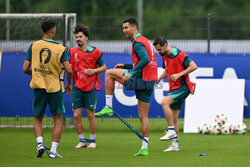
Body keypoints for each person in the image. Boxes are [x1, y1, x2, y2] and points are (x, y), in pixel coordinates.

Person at [94, 18, 158, 156]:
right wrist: (126, 66)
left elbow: (145, 60)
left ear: (134, 28)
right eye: (123, 28)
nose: (124, 31)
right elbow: (145, 61)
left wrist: (131, 72)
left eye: (126, 28)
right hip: (149, 81)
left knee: (109, 73)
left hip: (139, 79)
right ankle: (144, 148)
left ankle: (108, 107)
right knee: (143, 116)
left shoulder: (137, 43)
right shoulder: (146, 41)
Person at [22, 20, 72, 158]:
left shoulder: (33, 46)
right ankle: (53, 151)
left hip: (38, 86)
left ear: (42, 31)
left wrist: (36, 74)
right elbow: (69, 69)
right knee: (58, 118)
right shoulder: (61, 49)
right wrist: (68, 84)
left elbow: (25, 68)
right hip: (54, 87)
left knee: (38, 118)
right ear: (53, 31)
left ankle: (40, 144)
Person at [153, 36, 197, 152]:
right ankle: (175, 145)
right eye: (157, 50)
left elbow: (193, 66)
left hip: (183, 87)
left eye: (160, 50)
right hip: (174, 88)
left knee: (164, 102)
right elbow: (167, 69)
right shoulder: (165, 55)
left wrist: (179, 75)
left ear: (166, 46)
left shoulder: (179, 54)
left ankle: (171, 130)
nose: (159, 52)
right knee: (174, 118)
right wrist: (159, 78)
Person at [66, 24, 107, 149]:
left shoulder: (95, 52)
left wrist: (93, 71)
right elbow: (70, 70)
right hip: (77, 87)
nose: (78, 39)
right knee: (77, 115)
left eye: (80, 37)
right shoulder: (72, 52)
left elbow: (104, 67)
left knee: (90, 115)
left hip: (90, 87)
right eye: (76, 37)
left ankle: (92, 141)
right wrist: (68, 84)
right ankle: (82, 141)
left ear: (86, 38)